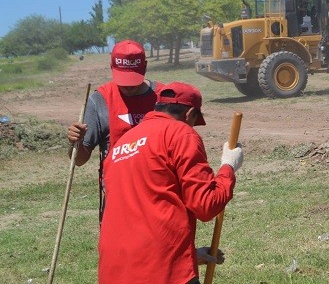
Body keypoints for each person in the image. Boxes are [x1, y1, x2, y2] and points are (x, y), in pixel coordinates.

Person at [98, 82, 244, 284]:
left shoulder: (122, 144)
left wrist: (189, 255)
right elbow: (206, 205)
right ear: (190, 114)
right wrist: (228, 166)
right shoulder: (181, 134)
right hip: (163, 274)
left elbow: (142, 212)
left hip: (115, 271)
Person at [66, 39, 165, 221]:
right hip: (117, 198)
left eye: (133, 79)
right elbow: (79, 160)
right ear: (112, 67)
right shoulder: (100, 100)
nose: (128, 86)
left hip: (159, 196)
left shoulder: (164, 98)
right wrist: (75, 142)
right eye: (123, 79)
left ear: (145, 67)